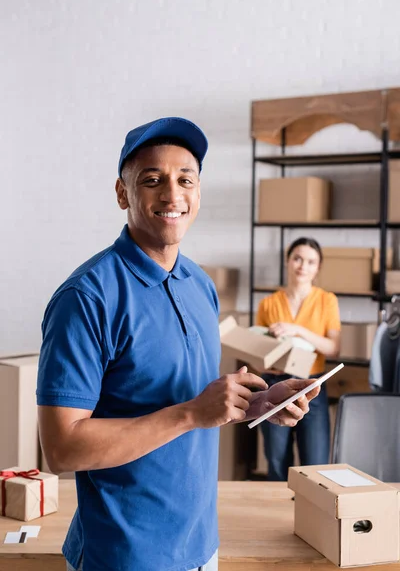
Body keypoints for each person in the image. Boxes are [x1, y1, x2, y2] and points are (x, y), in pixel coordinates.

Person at [36, 118, 321, 571]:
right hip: (123, 556)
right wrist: (191, 413)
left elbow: (197, 401)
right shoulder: (87, 298)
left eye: (185, 179)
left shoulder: (199, 285)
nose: (172, 194)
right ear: (122, 193)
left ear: (198, 192)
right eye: (152, 180)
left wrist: (260, 402)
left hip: (200, 546)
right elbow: (62, 448)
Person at [256, 237, 341, 482]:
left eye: (311, 261)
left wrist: (297, 330)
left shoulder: (327, 301)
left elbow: (333, 348)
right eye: (297, 258)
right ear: (287, 261)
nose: (303, 266)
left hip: (312, 387)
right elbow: (260, 353)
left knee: (315, 465)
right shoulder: (268, 303)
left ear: (318, 268)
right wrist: (264, 363)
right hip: (275, 385)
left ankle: (310, 516)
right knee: (276, 462)